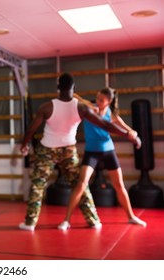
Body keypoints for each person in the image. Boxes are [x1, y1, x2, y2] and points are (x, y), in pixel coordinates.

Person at [18, 73, 140, 232]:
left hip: (47, 149)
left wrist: (24, 145)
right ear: (73, 88)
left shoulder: (46, 107)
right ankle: (93, 221)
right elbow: (105, 125)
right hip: (69, 150)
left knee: (38, 185)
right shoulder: (80, 107)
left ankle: (30, 223)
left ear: (57, 88)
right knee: (80, 185)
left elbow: (31, 130)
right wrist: (128, 135)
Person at [58, 88, 146, 230]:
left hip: (108, 151)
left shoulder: (112, 114)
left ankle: (131, 217)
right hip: (91, 152)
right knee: (81, 184)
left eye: (101, 100)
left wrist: (135, 136)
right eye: (97, 98)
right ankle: (66, 220)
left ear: (109, 101)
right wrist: (66, 90)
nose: (98, 102)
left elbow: (128, 130)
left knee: (119, 185)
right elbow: (77, 97)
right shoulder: (90, 109)